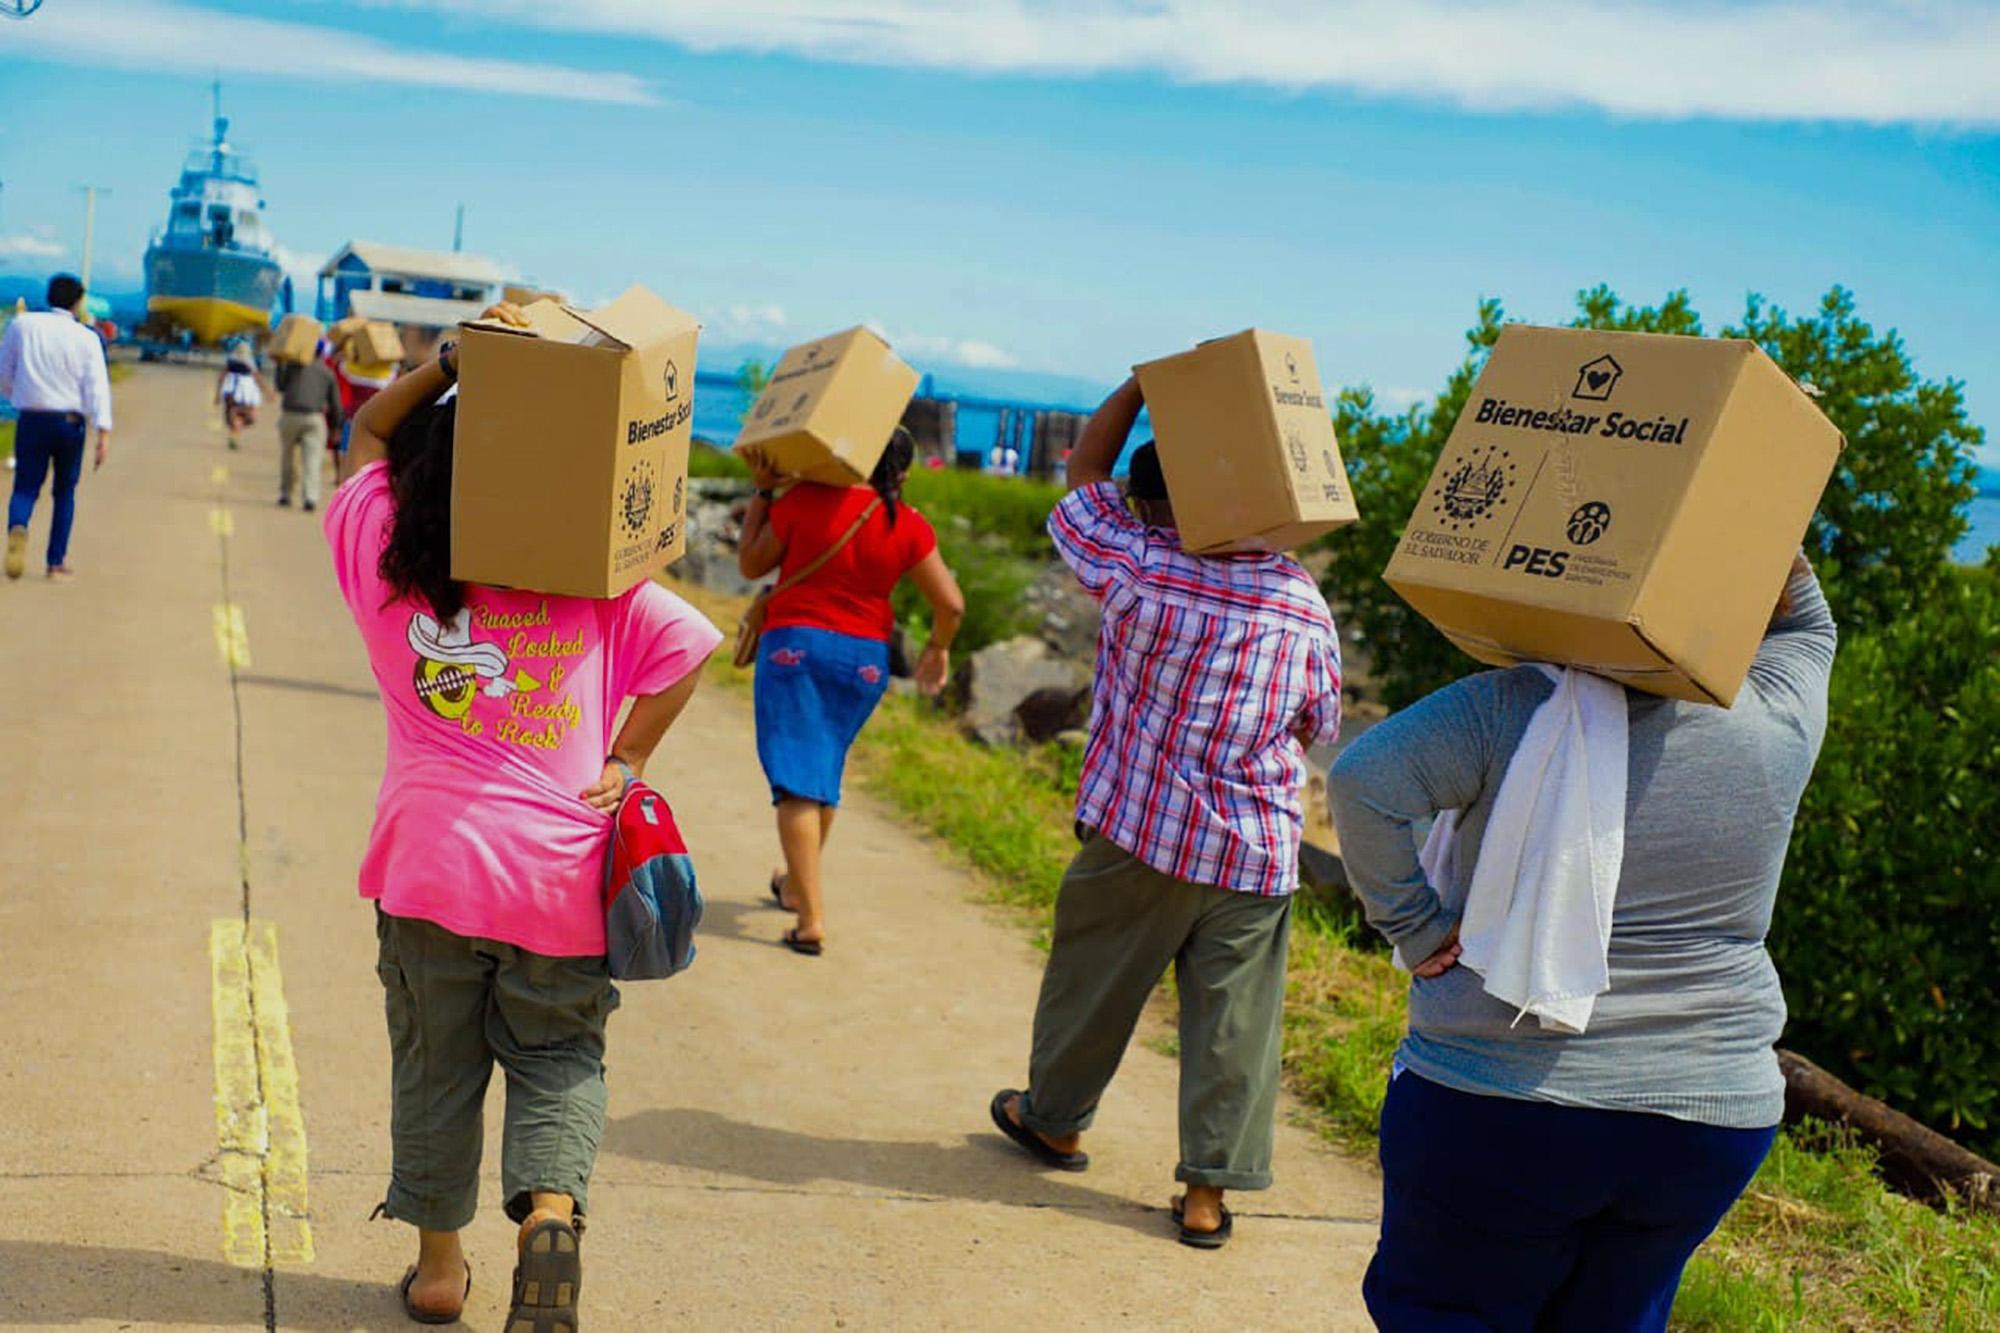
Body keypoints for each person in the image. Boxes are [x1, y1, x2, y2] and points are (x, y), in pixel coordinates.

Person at [326, 304, 721, 1328]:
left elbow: (364, 434)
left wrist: (456, 362)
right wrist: (625, 757)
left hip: (429, 867)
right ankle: (549, 1210)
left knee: (435, 1067)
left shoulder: (383, 555)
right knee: (556, 1058)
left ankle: (441, 1271)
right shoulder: (590, 582)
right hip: (557, 874)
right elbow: (692, 645)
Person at [1325, 553, 1835, 1331]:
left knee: (1447, 1309)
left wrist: (1414, 925)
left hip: (1502, 1100)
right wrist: (1761, 529)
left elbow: (1362, 781)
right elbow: (1807, 623)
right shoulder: (1777, 714)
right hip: (1710, 1117)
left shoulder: (1515, 706)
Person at [987, 376, 1344, 1249]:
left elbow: (1082, 471)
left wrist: (1145, 385)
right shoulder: (1299, 598)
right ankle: (1206, 1195)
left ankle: (1058, 1120)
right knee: (1236, 1022)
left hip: (1142, 829)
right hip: (1255, 851)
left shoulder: (1137, 564)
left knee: (1094, 980)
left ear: (1147, 506)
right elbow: (1317, 721)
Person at [735, 428, 964, 955]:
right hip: (863, 661)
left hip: (796, 648)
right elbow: (950, 605)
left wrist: (764, 493)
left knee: (796, 784)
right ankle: (795, 886)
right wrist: (938, 648)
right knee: (822, 772)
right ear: (903, 474)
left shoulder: (807, 501)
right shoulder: (907, 524)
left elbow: (750, 564)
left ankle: (811, 919)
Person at [0, 273, 113, 582]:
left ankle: (18, 526)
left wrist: (20, 396)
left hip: (32, 417)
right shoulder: (88, 337)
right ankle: (55, 561)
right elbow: (97, 388)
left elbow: (5, 372)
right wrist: (103, 433)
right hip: (69, 422)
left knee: (25, 486)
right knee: (64, 492)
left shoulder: (22, 325)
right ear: (77, 303)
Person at [273, 350, 342, 511]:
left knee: (288, 457)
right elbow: (335, 404)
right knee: (312, 459)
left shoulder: (292, 366)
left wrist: (279, 365)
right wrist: (335, 427)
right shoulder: (327, 372)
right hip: (314, 418)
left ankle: (285, 494)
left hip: (290, 416)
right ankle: (310, 498)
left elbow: (280, 386)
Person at [215, 340, 264, 450]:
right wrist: (267, 392)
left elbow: (221, 377)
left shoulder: (231, 362)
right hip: (243, 394)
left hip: (230, 393)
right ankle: (235, 437)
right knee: (247, 417)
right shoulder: (250, 364)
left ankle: (234, 437)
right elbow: (258, 378)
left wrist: (217, 394)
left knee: (234, 417)